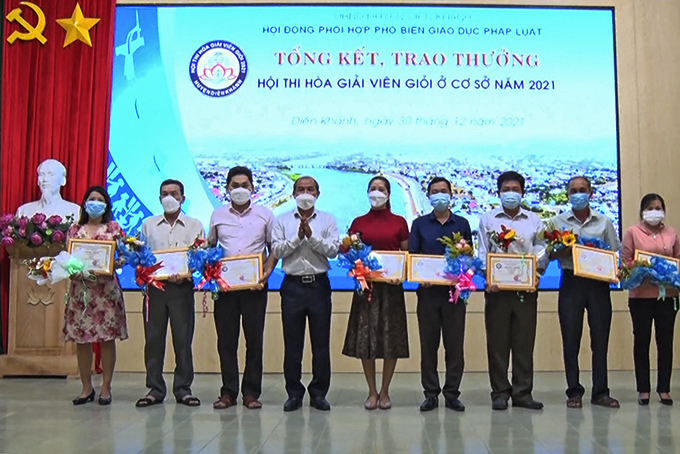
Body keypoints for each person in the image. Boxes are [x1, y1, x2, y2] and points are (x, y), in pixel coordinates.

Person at [478, 171, 547, 411]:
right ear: (499, 192)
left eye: (515, 189)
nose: (511, 193)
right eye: (506, 189)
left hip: (526, 291)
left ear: (522, 192)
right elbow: (482, 252)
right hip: (496, 290)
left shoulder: (534, 221)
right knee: (497, 344)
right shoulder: (488, 219)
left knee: (524, 342)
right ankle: (499, 392)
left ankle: (523, 393)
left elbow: (541, 251)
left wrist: (536, 276)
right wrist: (487, 277)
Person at [551, 176, 622, 409]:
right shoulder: (557, 222)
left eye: (582, 190)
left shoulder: (604, 222)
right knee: (570, 339)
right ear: (567, 194)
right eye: (573, 190)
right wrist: (563, 249)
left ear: (591, 193)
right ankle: (574, 391)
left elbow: (614, 253)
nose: (578, 194)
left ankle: (601, 392)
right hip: (571, 282)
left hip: (598, 284)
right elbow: (550, 254)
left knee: (600, 339)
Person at [209, 167, 277, 410]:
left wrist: (265, 275)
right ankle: (228, 392)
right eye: (235, 185)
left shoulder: (265, 215)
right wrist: (211, 272)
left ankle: (251, 393)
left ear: (252, 188)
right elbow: (210, 249)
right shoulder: (217, 215)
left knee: (254, 341)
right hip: (225, 289)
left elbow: (273, 249)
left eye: (244, 185)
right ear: (227, 188)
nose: (240, 189)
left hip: (254, 289)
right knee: (226, 342)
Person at [272, 176, 339, 412]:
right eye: (300, 189)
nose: (305, 193)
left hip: (319, 286)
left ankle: (319, 393)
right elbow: (277, 250)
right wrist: (297, 238)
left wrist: (311, 236)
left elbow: (333, 251)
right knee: (293, 344)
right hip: (292, 287)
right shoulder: (281, 221)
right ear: (293, 194)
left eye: (310, 189)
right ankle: (294, 393)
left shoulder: (328, 220)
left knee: (320, 343)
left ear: (318, 194)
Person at [135, 179, 205, 408]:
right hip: (155, 290)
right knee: (153, 340)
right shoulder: (148, 225)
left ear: (183, 198)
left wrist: (187, 272)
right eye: (164, 193)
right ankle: (155, 389)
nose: (169, 198)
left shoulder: (195, 225)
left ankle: (183, 389)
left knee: (182, 340)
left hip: (182, 289)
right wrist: (143, 271)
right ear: (159, 198)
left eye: (174, 193)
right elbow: (139, 255)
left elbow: (200, 258)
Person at [342, 176, 410, 410]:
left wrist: (401, 272)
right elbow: (350, 255)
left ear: (389, 194)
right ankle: (371, 391)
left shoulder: (400, 222)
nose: (377, 192)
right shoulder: (358, 222)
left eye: (381, 189)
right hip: (366, 288)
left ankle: (385, 391)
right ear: (367, 193)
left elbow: (406, 257)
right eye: (373, 189)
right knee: (365, 341)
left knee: (391, 340)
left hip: (391, 289)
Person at [409, 177, 471, 412]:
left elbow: (468, 257)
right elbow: (413, 255)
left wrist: (461, 276)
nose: (439, 195)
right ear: (429, 196)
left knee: (455, 346)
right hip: (427, 294)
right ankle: (431, 393)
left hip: (454, 294)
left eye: (443, 191)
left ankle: (452, 393)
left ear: (450, 195)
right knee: (429, 346)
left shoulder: (462, 223)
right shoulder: (419, 224)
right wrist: (419, 276)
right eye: (434, 192)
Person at [64, 186, 127, 406]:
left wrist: (111, 264)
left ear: (107, 205)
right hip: (81, 293)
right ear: (84, 203)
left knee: (107, 340)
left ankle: (106, 387)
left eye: (100, 199)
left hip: (106, 293)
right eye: (92, 199)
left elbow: (126, 257)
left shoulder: (113, 228)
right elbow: (67, 258)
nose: (96, 203)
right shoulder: (74, 229)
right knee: (82, 341)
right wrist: (70, 269)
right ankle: (86, 387)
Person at [620, 193, 679, 406]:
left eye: (658, 207)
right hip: (640, 297)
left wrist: (671, 274)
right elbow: (625, 262)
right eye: (650, 208)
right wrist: (639, 269)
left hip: (667, 296)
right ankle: (643, 389)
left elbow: (678, 260)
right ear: (643, 211)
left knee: (665, 343)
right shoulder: (632, 233)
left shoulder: (672, 233)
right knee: (642, 342)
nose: (655, 211)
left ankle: (664, 389)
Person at [16, 158, 81, 219]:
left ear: (63, 181)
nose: (45, 179)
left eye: (51, 174)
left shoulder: (75, 211)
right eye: (42, 174)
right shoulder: (24, 211)